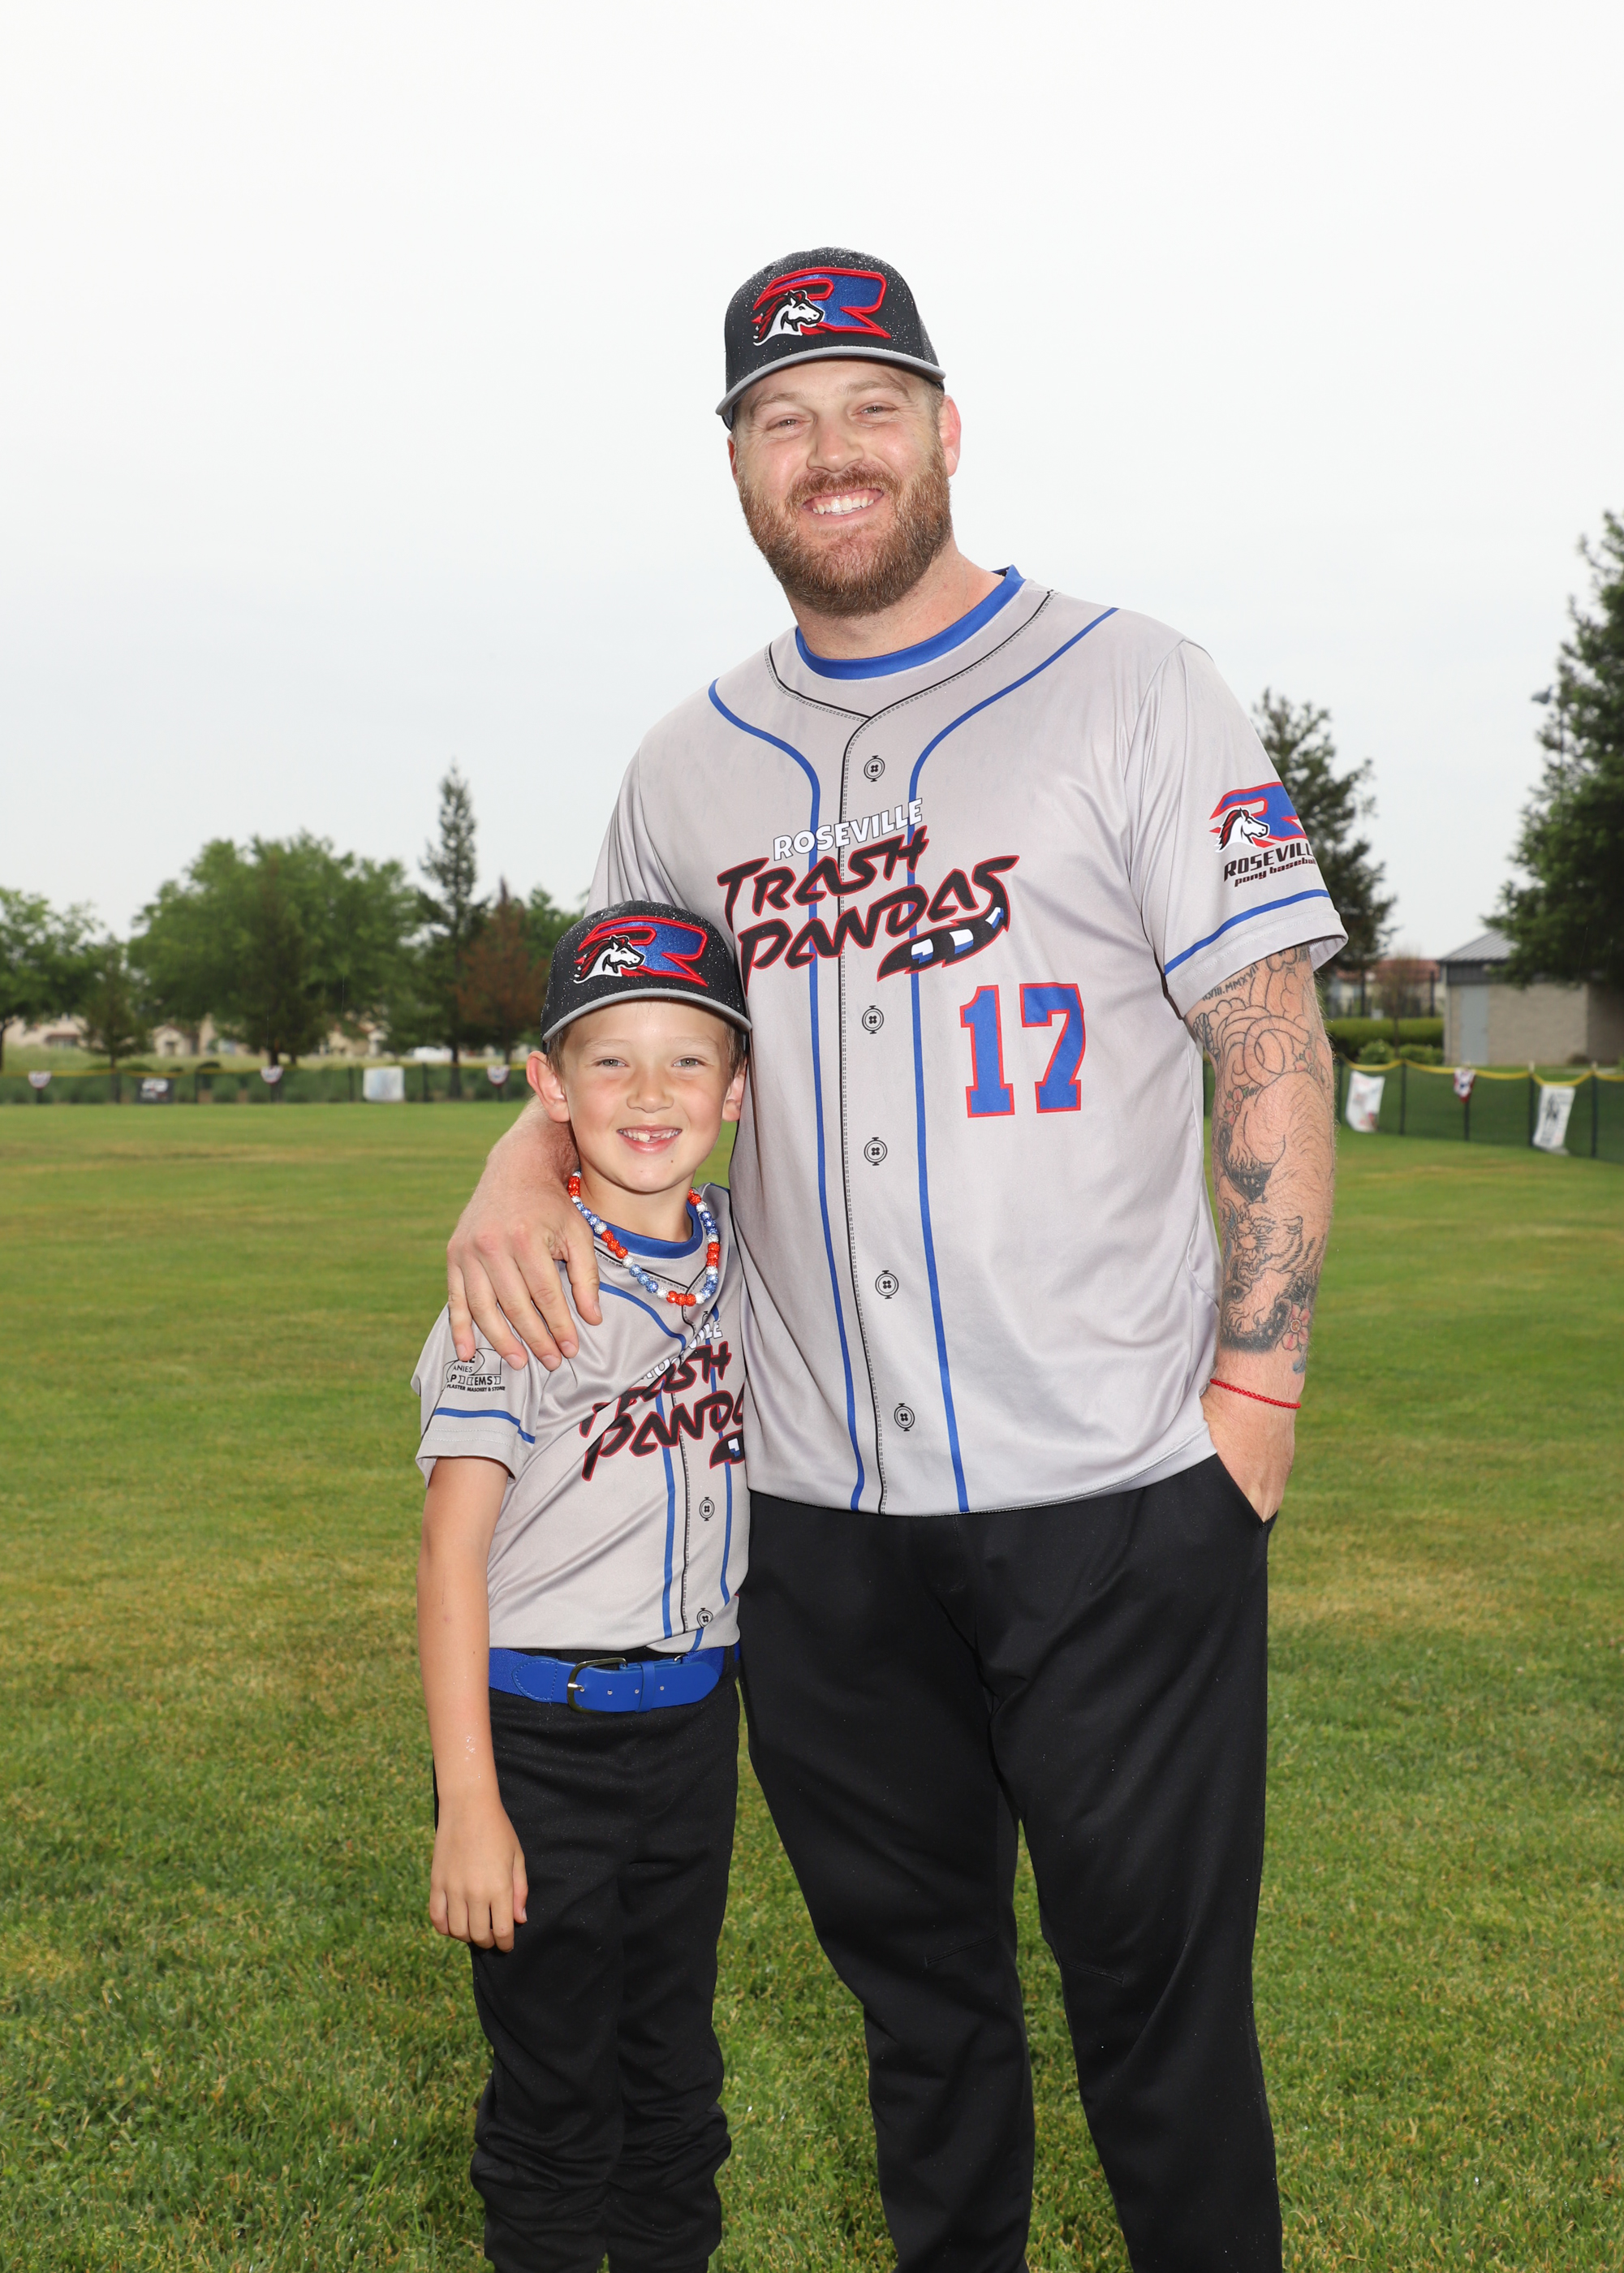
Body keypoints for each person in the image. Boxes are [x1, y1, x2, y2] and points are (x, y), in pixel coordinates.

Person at [445, 248, 1343, 2273]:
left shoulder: (1133, 680)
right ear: (736, 467)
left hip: (1115, 1486)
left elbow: (1265, 1027)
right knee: (920, 2019)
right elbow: (610, 1048)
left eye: (868, 405)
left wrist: (1255, 1393)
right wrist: (514, 1156)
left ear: (945, 430)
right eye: (781, 418)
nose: (828, 449)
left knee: (1160, 2021)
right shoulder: (685, 764)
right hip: (816, 1519)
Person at [413, 902, 752, 2273]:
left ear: (736, 1089)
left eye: (687, 1061)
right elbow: (448, 1553)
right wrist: (471, 1807)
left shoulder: (749, 1253)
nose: (650, 1094)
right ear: (548, 1087)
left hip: (693, 1726)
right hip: (539, 1737)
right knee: (556, 2096)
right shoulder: (520, 1278)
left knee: (673, 2074)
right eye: (609, 1060)